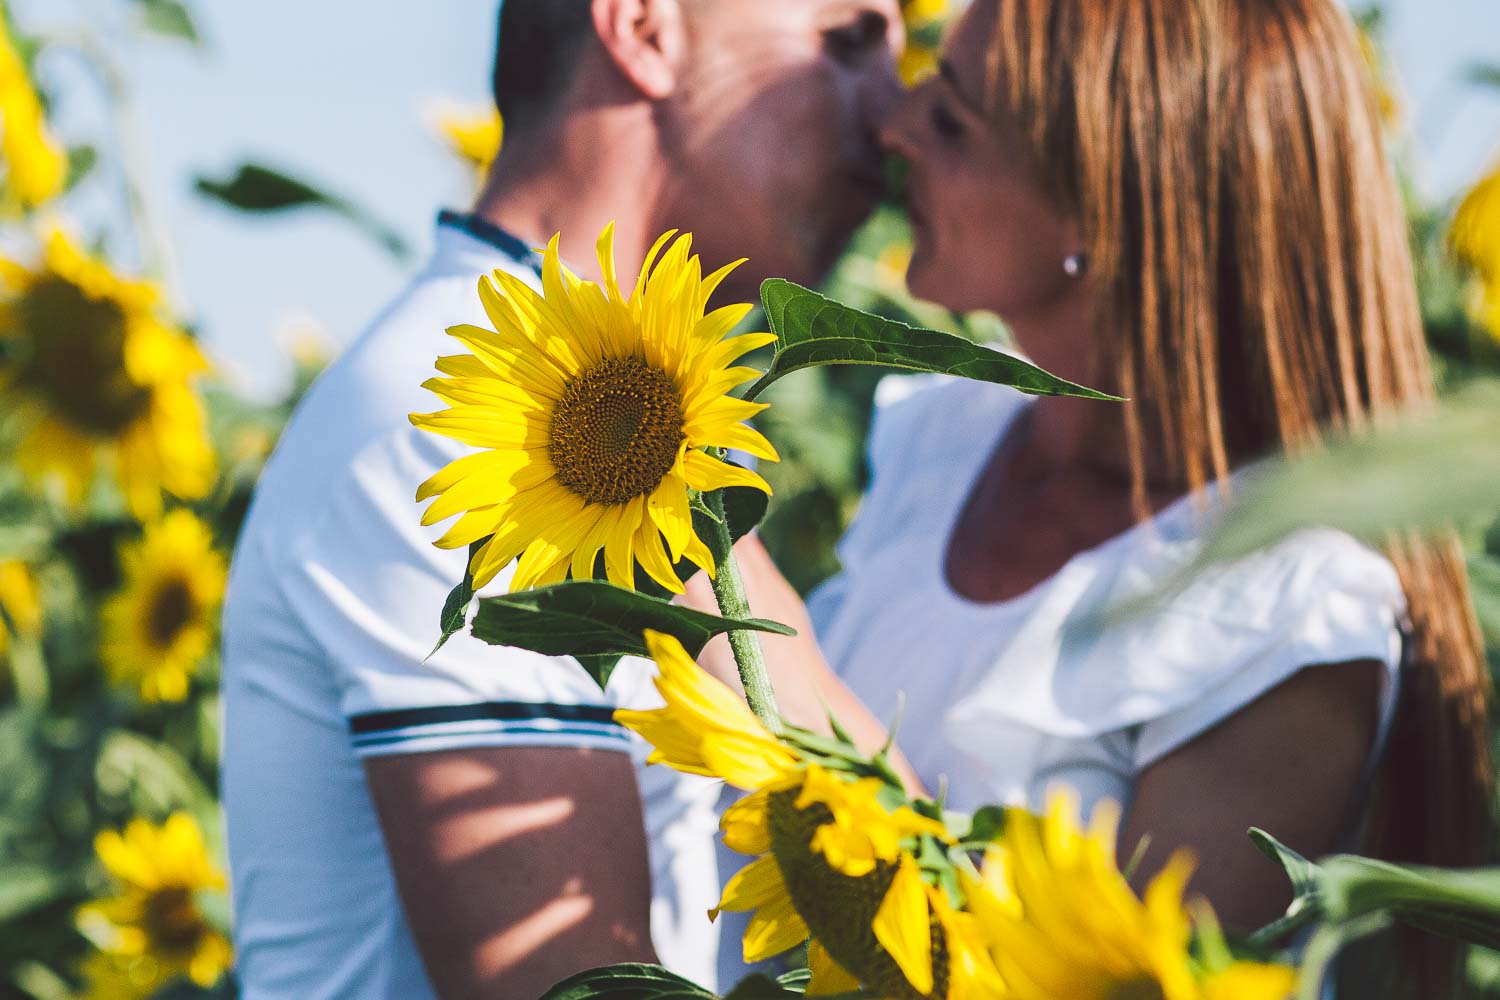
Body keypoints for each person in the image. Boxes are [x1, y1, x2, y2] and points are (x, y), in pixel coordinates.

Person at [701, 0, 1493, 994]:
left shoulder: (1290, 612)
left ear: (1103, 207)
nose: (895, 124)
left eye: (953, 118)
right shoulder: (947, 429)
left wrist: (731, 606)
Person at [218, 1, 905, 997]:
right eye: (846, 43)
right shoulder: (476, 429)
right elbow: (574, 981)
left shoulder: (617, 418)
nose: (891, 116)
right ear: (644, 29)